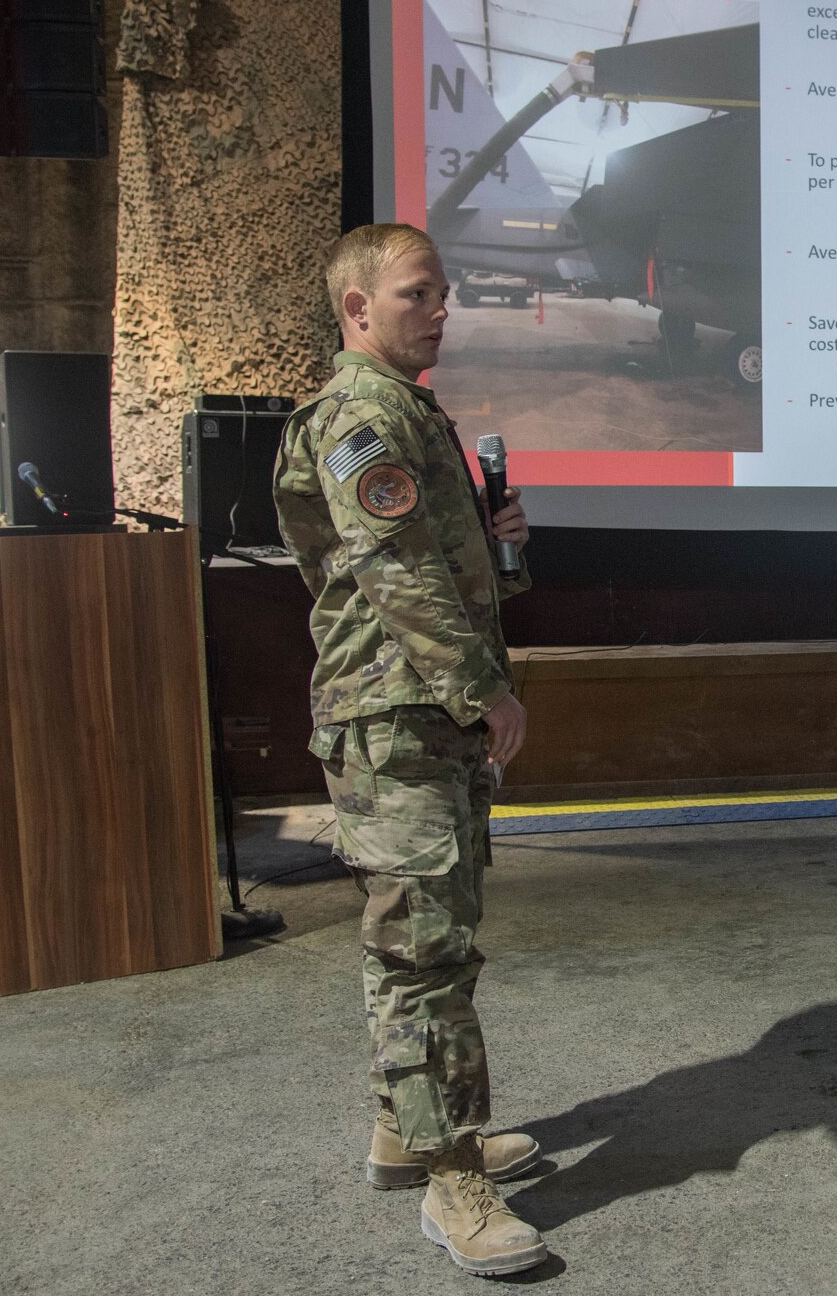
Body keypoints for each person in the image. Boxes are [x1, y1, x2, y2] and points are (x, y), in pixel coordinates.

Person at [273, 222, 549, 1278]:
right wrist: (485, 692)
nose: (441, 311)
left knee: (428, 932)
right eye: (417, 295)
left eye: (441, 294)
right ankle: (451, 1180)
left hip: (420, 711)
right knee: (423, 951)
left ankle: (408, 1131)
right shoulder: (356, 415)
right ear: (356, 308)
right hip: (397, 715)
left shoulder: (409, 412)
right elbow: (392, 576)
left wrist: (498, 541)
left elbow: (431, 564)